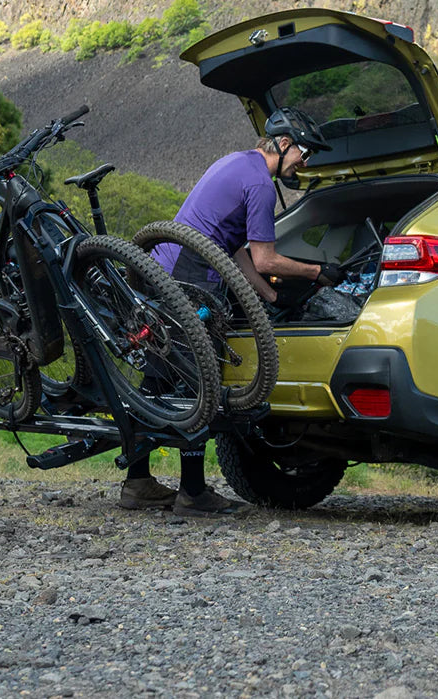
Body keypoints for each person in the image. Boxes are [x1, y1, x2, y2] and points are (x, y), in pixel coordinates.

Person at [119, 106, 344, 517]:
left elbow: (237, 253)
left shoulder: (235, 163)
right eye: (304, 153)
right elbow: (266, 259)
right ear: (284, 143)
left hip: (163, 273)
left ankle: (137, 483)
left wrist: (271, 300)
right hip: (190, 279)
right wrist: (317, 271)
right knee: (198, 383)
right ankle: (193, 494)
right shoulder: (260, 184)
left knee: (155, 381)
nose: (305, 163)